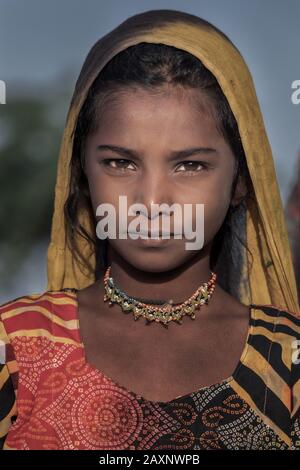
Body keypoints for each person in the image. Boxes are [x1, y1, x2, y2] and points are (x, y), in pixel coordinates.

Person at [0, 9, 299, 450]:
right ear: (81, 175)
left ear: (239, 181)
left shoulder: (287, 361)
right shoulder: (16, 348)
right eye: (121, 163)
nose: (152, 201)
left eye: (190, 165)